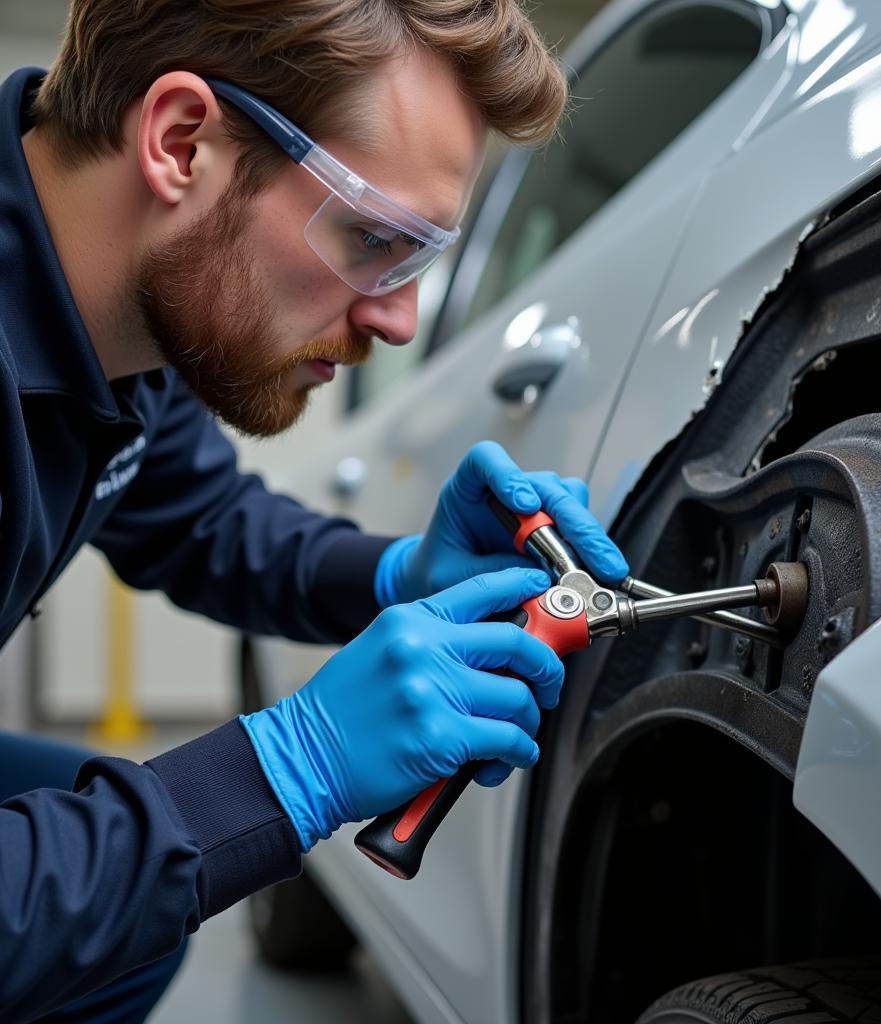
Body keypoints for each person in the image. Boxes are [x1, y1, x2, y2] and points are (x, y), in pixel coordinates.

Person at [0, 1, 632, 1021]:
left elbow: (204, 521)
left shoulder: (128, 323)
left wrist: (400, 573)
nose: (398, 315)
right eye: (372, 237)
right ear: (182, 142)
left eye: (415, 257)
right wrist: (285, 770)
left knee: (130, 924)